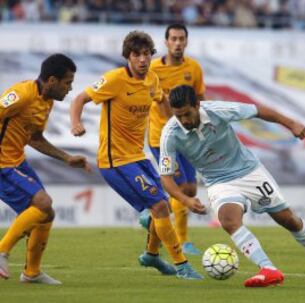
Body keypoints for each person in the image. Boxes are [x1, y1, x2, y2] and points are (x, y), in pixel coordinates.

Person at [159, 85, 305, 287]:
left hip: (249, 172)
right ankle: (268, 269)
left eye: (187, 114)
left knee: (289, 220)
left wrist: (291, 123)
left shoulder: (217, 110)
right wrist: (185, 199)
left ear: (197, 104)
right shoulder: (170, 133)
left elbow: (258, 111)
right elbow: (166, 177)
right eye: (179, 116)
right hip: (218, 182)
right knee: (228, 220)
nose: (184, 121)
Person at [70, 31, 204, 280]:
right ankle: (182, 265)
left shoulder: (152, 79)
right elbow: (79, 98)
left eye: (146, 54)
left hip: (138, 156)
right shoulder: (114, 80)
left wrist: (169, 121)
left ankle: (151, 255)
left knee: (163, 205)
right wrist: (76, 122)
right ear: (127, 56)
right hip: (115, 160)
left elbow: (161, 98)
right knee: (160, 205)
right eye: (136, 55)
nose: (142, 60)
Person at [0, 54, 92, 285]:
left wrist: (67, 158)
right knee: (43, 202)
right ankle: (2, 251)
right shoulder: (21, 94)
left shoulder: (46, 101)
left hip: (16, 161)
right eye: (67, 83)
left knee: (46, 214)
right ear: (52, 80)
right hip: (2, 164)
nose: (70, 89)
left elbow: (35, 139)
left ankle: (32, 273)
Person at [143, 23, 206, 255]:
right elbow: (154, 101)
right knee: (179, 185)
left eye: (182, 39)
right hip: (162, 136)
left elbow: (199, 98)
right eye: (174, 39)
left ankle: (150, 212)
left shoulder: (194, 68)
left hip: (186, 134)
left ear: (186, 42)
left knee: (190, 189)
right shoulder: (154, 70)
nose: (178, 43)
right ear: (166, 42)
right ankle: (183, 241)